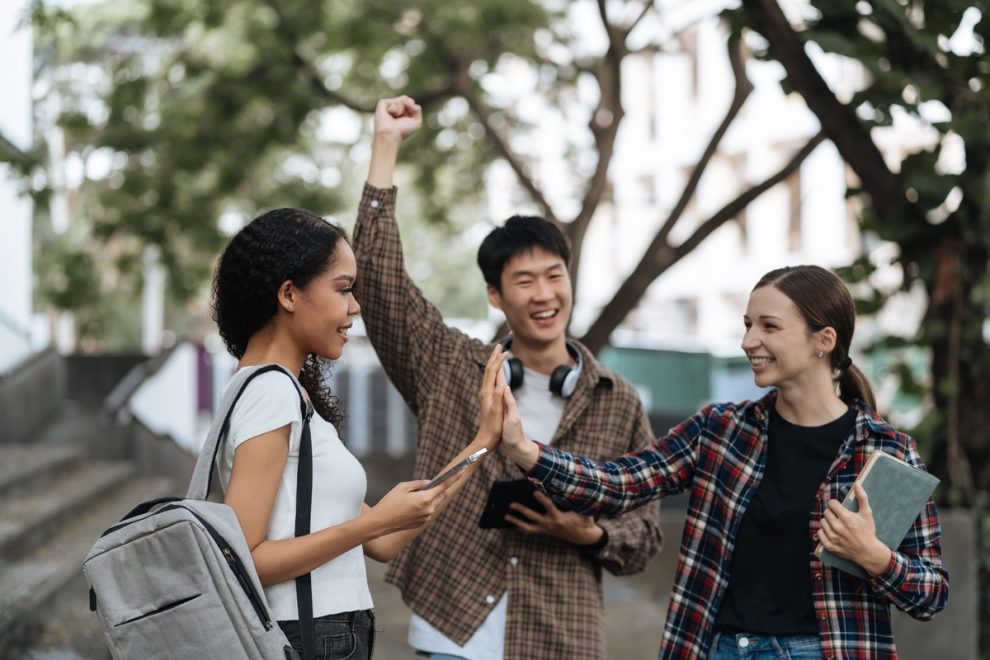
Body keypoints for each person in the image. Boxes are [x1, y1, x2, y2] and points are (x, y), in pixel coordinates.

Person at [499, 265, 949, 660]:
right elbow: (620, 483)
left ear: (824, 341)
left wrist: (875, 558)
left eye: (769, 327)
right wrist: (526, 451)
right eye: (748, 324)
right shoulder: (719, 431)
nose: (748, 340)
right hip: (719, 648)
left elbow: (930, 595)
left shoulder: (886, 452)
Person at [351, 96, 663, 659]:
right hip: (450, 630)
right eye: (524, 281)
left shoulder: (618, 402)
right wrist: (386, 145)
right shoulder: (449, 365)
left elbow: (644, 536)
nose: (544, 294)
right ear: (495, 295)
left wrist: (585, 531)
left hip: (560, 638)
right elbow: (378, 283)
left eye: (554, 275)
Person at [211, 203, 509, 660]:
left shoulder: (285, 393)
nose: (355, 307)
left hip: (326, 634)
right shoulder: (269, 392)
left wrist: (483, 443)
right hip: (303, 636)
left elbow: (384, 541)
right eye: (344, 289)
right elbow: (245, 558)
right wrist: (374, 520)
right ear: (289, 294)